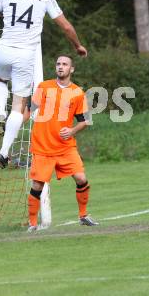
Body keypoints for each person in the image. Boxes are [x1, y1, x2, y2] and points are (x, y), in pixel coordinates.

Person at [0, 0, 88, 169]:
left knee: (0, 79)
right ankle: (3, 152)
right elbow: (65, 26)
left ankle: (0, 112)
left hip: (4, 49)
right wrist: (77, 46)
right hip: (25, 57)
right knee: (19, 107)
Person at [25, 55, 98, 231]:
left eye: (65, 64)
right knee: (37, 185)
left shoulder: (77, 93)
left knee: (81, 178)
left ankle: (83, 215)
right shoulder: (44, 87)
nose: (60, 67)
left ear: (71, 69)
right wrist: (15, 123)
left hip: (65, 147)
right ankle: (32, 224)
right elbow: (29, 110)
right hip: (42, 146)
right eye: (58, 64)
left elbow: (85, 120)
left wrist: (72, 131)